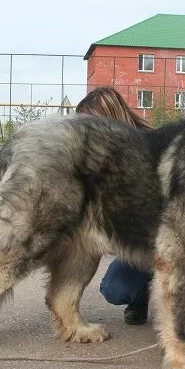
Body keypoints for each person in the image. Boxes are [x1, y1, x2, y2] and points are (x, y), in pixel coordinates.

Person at [75, 87, 153, 325]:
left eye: (89, 125)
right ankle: (142, 295)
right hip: (139, 248)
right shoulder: (97, 159)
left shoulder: (153, 146)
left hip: (170, 239)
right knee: (114, 289)